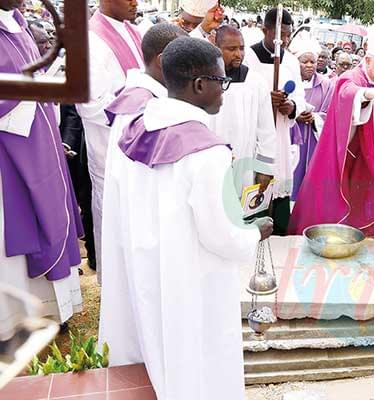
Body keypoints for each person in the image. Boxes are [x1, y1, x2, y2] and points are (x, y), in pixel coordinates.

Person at [100, 37, 274, 399]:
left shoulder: (139, 126)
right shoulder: (207, 152)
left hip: (148, 265)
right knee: (197, 362)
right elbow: (222, 235)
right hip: (192, 279)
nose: (225, 91)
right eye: (221, 82)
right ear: (199, 85)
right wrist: (255, 231)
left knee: (157, 349)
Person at [98, 21, 187, 363]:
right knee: (145, 309)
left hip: (137, 220)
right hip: (145, 228)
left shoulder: (146, 97)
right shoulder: (145, 107)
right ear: (165, 61)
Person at [0, 0, 83, 338]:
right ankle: (14, 321)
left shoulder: (16, 23)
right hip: (9, 157)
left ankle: (51, 310)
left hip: (40, 141)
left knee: (50, 213)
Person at [287, 22, 374, 236]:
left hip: (368, 161)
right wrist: (368, 95)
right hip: (342, 159)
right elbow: (347, 93)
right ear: (367, 60)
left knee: (361, 212)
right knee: (331, 211)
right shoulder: (352, 78)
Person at [75, 0, 142, 282]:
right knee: (114, 218)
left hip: (139, 144)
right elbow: (89, 104)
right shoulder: (89, 39)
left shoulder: (133, 31)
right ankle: (115, 289)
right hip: (111, 146)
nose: (134, 1)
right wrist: (137, 111)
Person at [242, 7, 307, 235]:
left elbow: (299, 97)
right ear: (264, 30)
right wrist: (264, 99)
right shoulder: (248, 57)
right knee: (253, 181)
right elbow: (241, 93)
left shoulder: (290, 61)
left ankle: (278, 235)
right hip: (254, 133)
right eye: (279, 35)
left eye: (288, 35)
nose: (284, 41)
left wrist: (291, 107)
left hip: (279, 132)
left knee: (277, 181)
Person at [208, 25, 276, 199]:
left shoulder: (255, 82)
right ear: (216, 48)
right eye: (231, 49)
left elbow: (266, 129)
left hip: (244, 160)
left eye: (241, 48)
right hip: (210, 163)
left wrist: (265, 168)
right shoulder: (203, 81)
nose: (238, 54)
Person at [289, 34, 334, 200]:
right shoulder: (287, 81)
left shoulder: (327, 85)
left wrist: (314, 117)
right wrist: (294, 113)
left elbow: (331, 114)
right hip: (291, 139)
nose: (309, 65)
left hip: (314, 143)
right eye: (304, 61)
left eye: (313, 62)